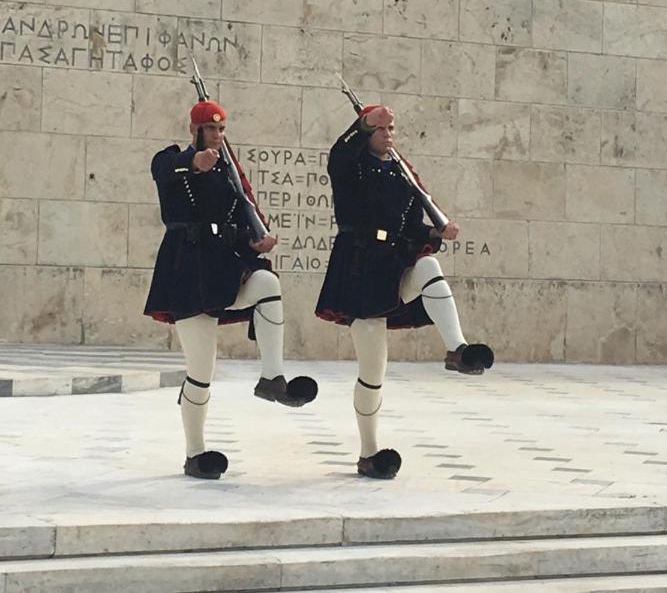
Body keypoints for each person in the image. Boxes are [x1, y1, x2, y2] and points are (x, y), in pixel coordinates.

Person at [316, 104, 493, 480]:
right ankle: (368, 453)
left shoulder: (401, 171)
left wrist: (436, 233)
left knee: (429, 266)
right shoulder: (352, 166)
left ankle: (457, 349)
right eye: (380, 128)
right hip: (361, 267)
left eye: (391, 128)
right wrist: (362, 123)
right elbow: (338, 154)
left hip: (394, 262)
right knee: (373, 371)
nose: (387, 133)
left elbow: (414, 226)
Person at [145, 98, 317, 480]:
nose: (219, 137)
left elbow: (237, 219)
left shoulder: (227, 173)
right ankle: (195, 453)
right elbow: (160, 170)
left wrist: (254, 242)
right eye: (212, 129)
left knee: (267, 282)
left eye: (223, 130)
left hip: (223, 265)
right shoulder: (173, 159)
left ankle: (272, 378)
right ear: (195, 130)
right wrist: (192, 163)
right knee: (201, 372)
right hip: (188, 272)